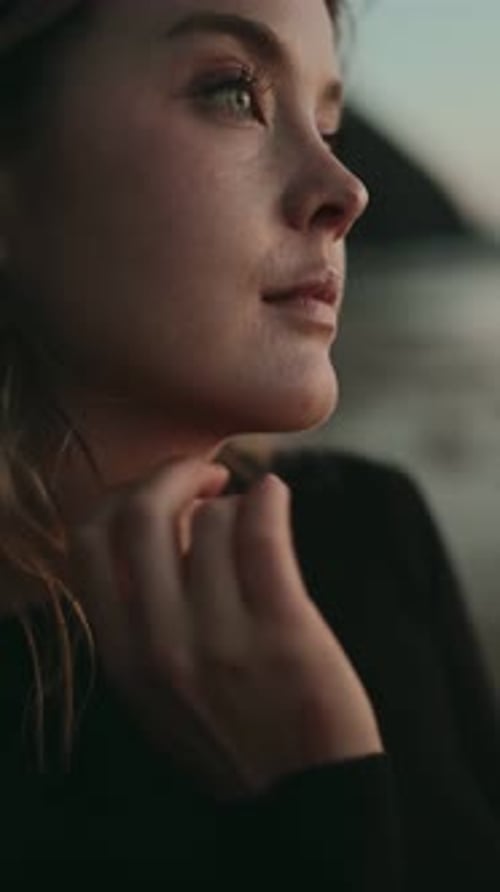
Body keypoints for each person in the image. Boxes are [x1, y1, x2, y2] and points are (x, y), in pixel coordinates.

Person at [0, 1, 497, 888]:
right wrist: (320, 804)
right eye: (235, 92)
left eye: (330, 121)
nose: (347, 190)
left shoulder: (371, 535)